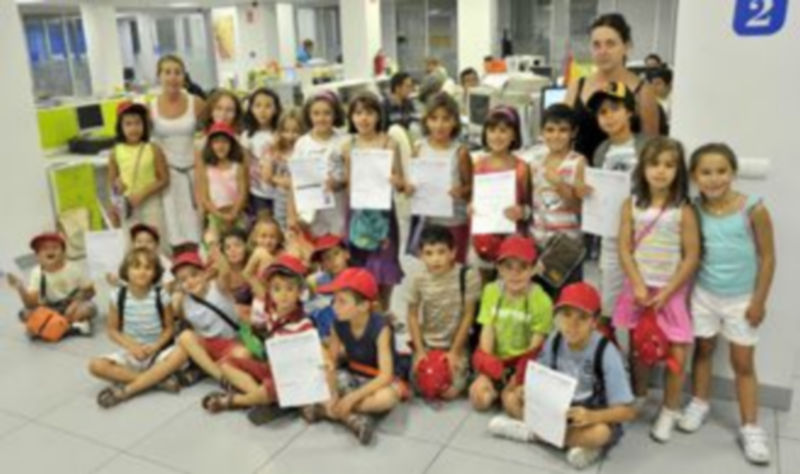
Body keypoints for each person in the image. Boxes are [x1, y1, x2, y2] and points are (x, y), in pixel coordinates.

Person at [680, 143, 775, 465]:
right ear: (695, 176)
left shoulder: (754, 209)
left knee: (743, 363)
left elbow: (768, 256)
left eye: (721, 171)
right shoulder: (693, 209)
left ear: (732, 172)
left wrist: (759, 300)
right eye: (706, 172)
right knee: (704, 349)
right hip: (704, 295)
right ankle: (699, 402)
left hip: (741, 299)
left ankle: (751, 427)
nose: (714, 179)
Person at [488, 283, 636, 470]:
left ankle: (532, 433)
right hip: (559, 407)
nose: (572, 324)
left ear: (594, 321)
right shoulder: (555, 339)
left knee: (600, 433)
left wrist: (592, 416)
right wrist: (526, 390)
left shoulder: (606, 353)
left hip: (590, 412)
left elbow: (628, 412)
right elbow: (540, 376)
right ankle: (574, 443)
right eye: (566, 315)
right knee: (509, 398)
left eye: (582, 318)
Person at [613, 137, 700, 441]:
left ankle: (670, 408)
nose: (661, 171)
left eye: (669, 165)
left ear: (679, 171)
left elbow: (692, 255)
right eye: (654, 164)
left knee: (677, 349)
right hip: (638, 288)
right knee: (640, 347)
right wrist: (637, 283)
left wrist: (667, 292)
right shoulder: (631, 205)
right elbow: (624, 248)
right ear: (643, 168)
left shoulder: (683, 210)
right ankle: (639, 394)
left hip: (670, 292)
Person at [202, 255, 317, 416]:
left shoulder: (304, 324)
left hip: (290, 376)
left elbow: (308, 363)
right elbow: (249, 278)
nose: (283, 294)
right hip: (271, 369)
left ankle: (235, 401)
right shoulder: (270, 311)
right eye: (277, 289)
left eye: (290, 289)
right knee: (225, 364)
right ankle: (261, 398)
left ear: (299, 293)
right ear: (270, 292)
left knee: (273, 387)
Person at [310, 268, 407, 445]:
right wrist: (330, 381)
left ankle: (329, 411)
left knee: (387, 398)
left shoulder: (381, 328)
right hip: (353, 372)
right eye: (334, 300)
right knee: (324, 374)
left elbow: (385, 375)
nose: (334, 307)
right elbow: (333, 360)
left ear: (363, 306)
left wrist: (350, 398)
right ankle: (352, 418)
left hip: (379, 379)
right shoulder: (337, 323)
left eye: (342, 302)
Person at [468, 234, 553, 416]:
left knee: (512, 404)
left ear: (533, 269)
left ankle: (517, 406)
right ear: (499, 269)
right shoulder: (491, 291)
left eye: (523, 267)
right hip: (497, 360)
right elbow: (487, 331)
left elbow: (535, 346)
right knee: (479, 399)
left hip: (524, 361)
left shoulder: (541, 300)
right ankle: (496, 388)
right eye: (508, 267)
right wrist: (487, 368)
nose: (515, 274)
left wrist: (518, 377)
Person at [588, 82, 650, 317]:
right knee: (609, 302)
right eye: (602, 112)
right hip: (611, 236)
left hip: (643, 235)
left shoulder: (647, 146)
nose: (608, 116)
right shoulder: (601, 151)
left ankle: (638, 350)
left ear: (630, 111)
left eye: (615, 108)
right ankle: (610, 347)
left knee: (642, 296)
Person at [343, 92, 407, 314]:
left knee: (384, 269)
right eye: (358, 113)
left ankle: (384, 316)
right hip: (358, 214)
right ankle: (365, 319)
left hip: (384, 216)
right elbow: (349, 184)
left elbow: (401, 184)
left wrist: (394, 180)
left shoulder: (389, 143)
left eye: (369, 112)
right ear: (351, 117)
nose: (364, 118)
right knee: (361, 270)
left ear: (379, 115)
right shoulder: (348, 145)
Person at [564, 13, 660, 162]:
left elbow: (652, 150)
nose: (602, 51)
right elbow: (564, 136)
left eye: (610, 44)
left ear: (626, 47)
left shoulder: (643, 91)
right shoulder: (577, 86)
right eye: (597, 44)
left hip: (624, 178)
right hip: (581, 179)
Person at [90, 249, 179, 401]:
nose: (142, 272)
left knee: (181, 353)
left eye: (148, 268)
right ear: (126, 270)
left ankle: (141, 379)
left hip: (157, 352)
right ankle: (153, 380)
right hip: (131, 352)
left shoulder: (161, 295)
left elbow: (169, 328)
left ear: (155, 272)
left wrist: (156, 346)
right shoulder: (118, 295)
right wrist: (132, 346)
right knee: (96, 365)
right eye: (136, 267)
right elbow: (112, 330)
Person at [407, 225, 481, 400]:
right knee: (422, 387)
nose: (435, 259)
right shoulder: (418, 279)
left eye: (441, 252)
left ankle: (467, 370)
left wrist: (454, 352)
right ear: (420, 255)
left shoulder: (468, 276)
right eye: (429, 253)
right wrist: (419, 351)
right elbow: (412, 315)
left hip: (456, 344)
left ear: (453, 252)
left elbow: (468, 315)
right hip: (428, 344)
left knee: (452, 391)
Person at [529, 104, 591, 296]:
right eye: (550, 130)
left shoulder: (578, 162)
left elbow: (580, 208)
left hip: (566, 246)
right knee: (540, 299)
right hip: (538, 241)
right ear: (542, 132)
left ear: (574, 132)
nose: (556, 136)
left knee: (567, 298)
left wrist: (560, 185)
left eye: (563, 130)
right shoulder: (535, 162)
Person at [150, 55, 206, 247]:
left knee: (197, 226)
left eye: (177, 72)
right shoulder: (150, 107)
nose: (172, 77)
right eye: (167, 72)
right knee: (173, 228)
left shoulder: (196, 102)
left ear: (184, 76)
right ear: (159, 76)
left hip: (194, 171)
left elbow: (209, 134)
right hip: (168, 174)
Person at [470, 106, 531, 281]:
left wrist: (522, 211)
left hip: (513, 239)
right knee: (485, 287)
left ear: (514, 134)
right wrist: (471, 209)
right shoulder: (478, 165)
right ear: (485, 133)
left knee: (512, 287)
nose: (497, 136)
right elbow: (473, 200)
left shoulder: (522, 168)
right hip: (483, 238)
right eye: (492, 130)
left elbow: (529, 207)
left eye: (503, 130)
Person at [7, 233, 96, 336]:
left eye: (55, 247)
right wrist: (20, 287)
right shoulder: (36, 273)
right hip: (49, 308)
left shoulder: (73, 269)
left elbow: (91, 291)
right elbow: (31, 304)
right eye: (44, 249)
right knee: (24, 314)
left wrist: (77, 302)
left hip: (71, 306)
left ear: (63, 253)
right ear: (37, 255)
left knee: (89, 308)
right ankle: (71, 327)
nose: (50, 251)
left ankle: (51, 326)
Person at [108, 101, 169, 244]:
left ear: (144, 125)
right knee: (131, 243)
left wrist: (143, 193)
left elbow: (164, 178)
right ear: (120, 127)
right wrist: (115, 201)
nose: (133, 128)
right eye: (128, 124)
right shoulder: (115, 152)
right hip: (127, 205)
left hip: (151, 203)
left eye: (138, 123)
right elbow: (111, 184)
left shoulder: (153, 148)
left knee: (157, 241)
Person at [293, 90, 348, 237]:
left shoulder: (344, 141)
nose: (321, 118)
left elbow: (353, 174)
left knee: (338, 248)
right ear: (309, 116)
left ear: (335, 114)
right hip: (312, 210)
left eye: (327, 113)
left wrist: (339, 182)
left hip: (338, 207)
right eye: (316, 113)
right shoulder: (302, 143)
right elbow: (296, 180)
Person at [241, 87, 283, 219]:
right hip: (258, 192)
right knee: (264, 226)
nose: (262, 111)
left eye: (268, 106)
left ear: (276, 109)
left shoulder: (281, 133)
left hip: (281, 190)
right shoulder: (247, 136)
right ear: (251, 109)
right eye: (257, 106)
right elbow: (245, 166)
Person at [264, 108, 305, 231]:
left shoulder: (304, 151)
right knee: (281, 230)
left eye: (296, 131)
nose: (290, 136)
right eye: (286, 131)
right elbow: (267, 176)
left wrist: (281, 180)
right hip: (281, 200)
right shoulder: (276, 152)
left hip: (301, 201)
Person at [305, 234, 351, 341]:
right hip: (325, 336)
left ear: (346, 254)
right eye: (326, 258)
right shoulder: (315, 282)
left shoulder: (360, 277)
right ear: (322, 264)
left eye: (336, 253)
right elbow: (307, 310)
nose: (332, 260)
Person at [646, 67, 673, 135]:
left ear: (669, 84)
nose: (653, 87)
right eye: (652, 83)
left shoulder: (676, 99)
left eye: (658, 84)